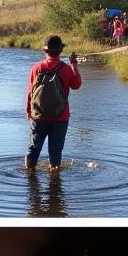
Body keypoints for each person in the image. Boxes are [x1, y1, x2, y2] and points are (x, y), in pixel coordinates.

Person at [25, 34, 82, 174]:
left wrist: (29, 113)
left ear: (45, 51)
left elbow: (30, 93)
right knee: (55, 151)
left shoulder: (36, 68)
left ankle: (29, 177)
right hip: (60, 117)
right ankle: (54, 180)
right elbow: (76, 85)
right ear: (60, 51)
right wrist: (74, 65)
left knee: (34, 148)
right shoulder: (66, 69)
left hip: (38, 116)